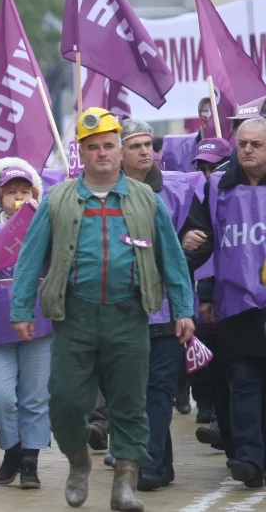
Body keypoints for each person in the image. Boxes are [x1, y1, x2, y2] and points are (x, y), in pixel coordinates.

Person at [11, 107, 195, 511]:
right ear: (81, 152)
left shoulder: (145, 198)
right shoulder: (58, 199)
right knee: (64, 402)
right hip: (73, 318)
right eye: (93, 147)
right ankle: (78, 463)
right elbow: (29, 258)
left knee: (131, 404)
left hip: (128, 317)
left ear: (119, 150)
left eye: (109, 146)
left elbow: (172, 258)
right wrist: (21, 308)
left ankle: (125, 483)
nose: (102, 154)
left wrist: (183, 308)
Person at [118, 119, 213, 491]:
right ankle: (158, 459)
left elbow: (202, 242)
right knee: (131, 392)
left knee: (157, 390)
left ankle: (151, 463)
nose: (145, 151)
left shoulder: (180, 189)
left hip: (168, 311)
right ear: (119, 153)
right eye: (135, 146)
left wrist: (166, 263)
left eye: (148, 145)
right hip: (122, 312)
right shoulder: (106, 194)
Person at [0, 158, 52, 491]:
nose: (19, 198)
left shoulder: (45, 226)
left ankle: (30, 461)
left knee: (35, 397)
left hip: (39, 323)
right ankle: (12, 449)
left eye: (25, 191)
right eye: (12, 193)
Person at [199, 117, 266, 488]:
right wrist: (206, 293)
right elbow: (207, 242)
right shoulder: (216, 188)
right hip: (236, 302)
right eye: (243, 144)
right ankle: (248, 458)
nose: (248, 151)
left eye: (256, 144)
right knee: (242, 380)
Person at [192, 137, 234, 455]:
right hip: (213, 296)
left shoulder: (241, 194)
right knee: (216, 362)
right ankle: (222, 421)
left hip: (244, 296)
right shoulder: (198, 200)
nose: (208, 173)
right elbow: (206, 254)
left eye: (214, 166)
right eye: (202, 167)